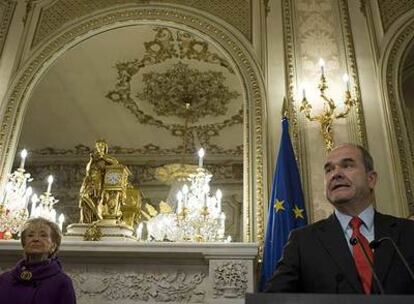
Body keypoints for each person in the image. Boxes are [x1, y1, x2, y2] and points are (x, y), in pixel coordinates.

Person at [265, 143, 414, 294]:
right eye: (329, 170)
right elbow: (273, 299)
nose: (335, 174)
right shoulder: (302, 241)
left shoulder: (408, 232)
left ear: (371, 179)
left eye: (347, 166)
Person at [0, 217, 76, 303]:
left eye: (43, 235)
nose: (35, 239)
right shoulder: (4, 279)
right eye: (30, 235)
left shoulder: (62, 282)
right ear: (24, 244)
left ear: (53, 246)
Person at [79, 139, 119, 223]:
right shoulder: (93, 159)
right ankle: (90, 218)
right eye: (98, 146)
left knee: (96, 199)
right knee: (84, 197)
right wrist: (91, 160)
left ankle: (97, 216)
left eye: (101, 146)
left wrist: (103, 157)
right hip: (90, 181)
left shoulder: (107, 159)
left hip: (99, 182)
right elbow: (87, 171)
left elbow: (116, 163)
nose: (99, 148)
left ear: (105, 148)